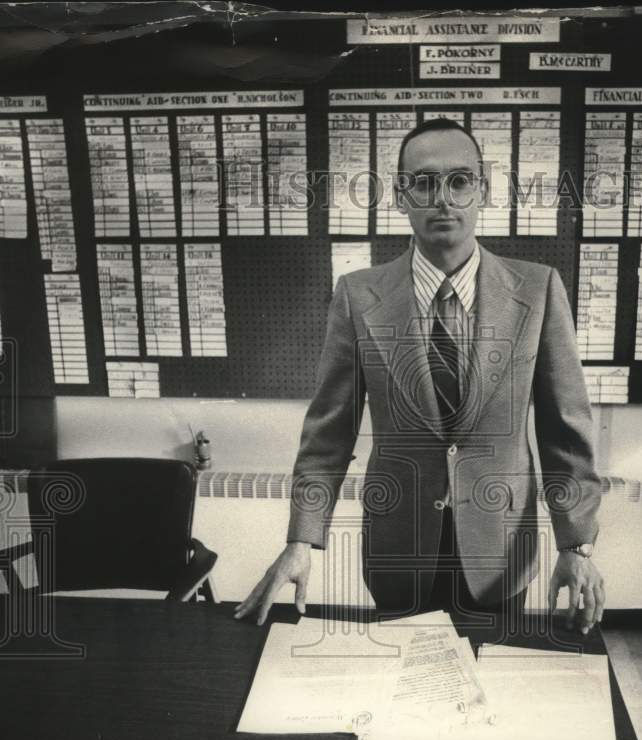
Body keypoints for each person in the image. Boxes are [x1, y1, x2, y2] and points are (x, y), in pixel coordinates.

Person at [235, 118, 605, 633]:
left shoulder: (538, 291)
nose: (443, 198)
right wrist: (301, 539)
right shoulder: (358, 295)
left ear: (483, 190)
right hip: (399, 549)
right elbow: (328, 434)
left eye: (459, 180)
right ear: (400, 195)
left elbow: (566, 432)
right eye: (424, 182)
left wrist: (576, 543)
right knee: (401, 699)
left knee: (490, 700)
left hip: (500, 553)